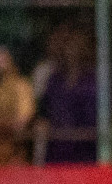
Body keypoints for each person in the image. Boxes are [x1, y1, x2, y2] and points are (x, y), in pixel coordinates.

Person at [36, 27, 97, 164]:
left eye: (75, 45)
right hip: (56, 151)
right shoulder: (54, 80)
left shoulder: (92, 79)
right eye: (68, 45)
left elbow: (94, 118)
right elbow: (45, 112)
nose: (71, 50)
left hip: (85, 151)